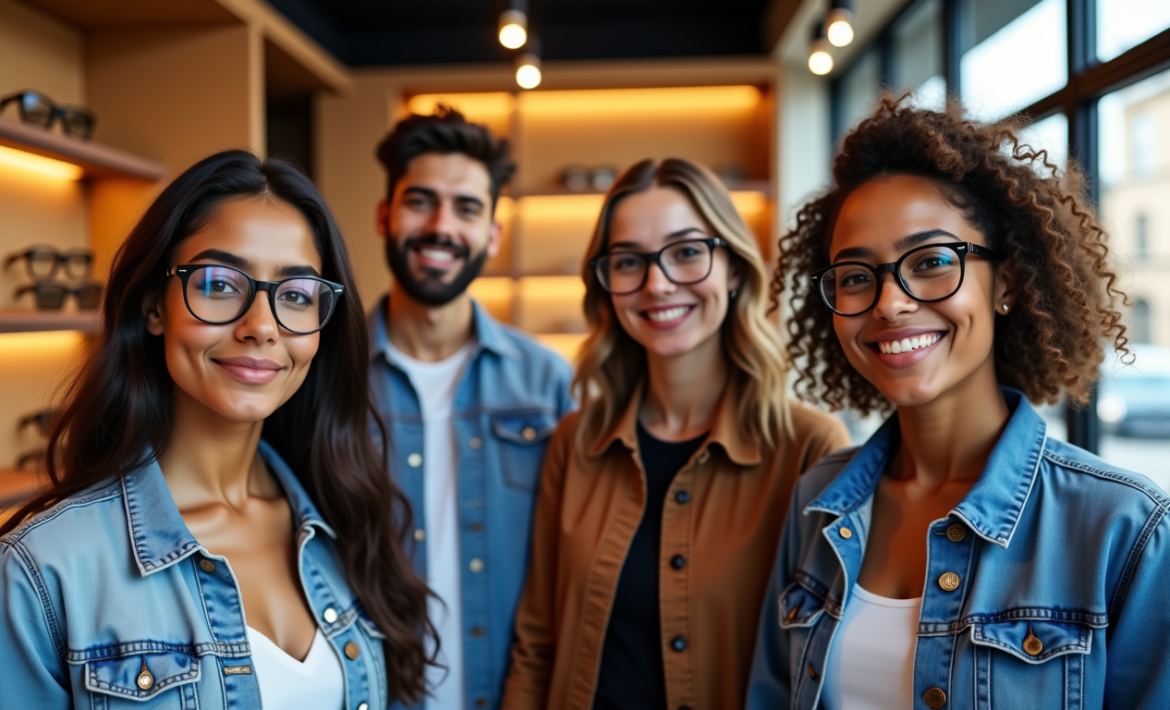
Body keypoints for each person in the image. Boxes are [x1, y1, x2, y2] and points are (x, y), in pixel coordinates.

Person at [747, 97, 1170, 710]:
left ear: (1006, 282)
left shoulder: (1123, 528)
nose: (889, 303)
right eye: (857, 275)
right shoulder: (816, 498)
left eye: (932, 262)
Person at [0, 151, 433, 709]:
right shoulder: (47, 568)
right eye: (219, 284)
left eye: (297, 294)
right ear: (155, 306)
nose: (261, 327)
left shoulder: (347, 521)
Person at [501, 158, 850, 710]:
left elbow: (824, 666)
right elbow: (537, 642)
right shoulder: (575, 442)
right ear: (606, 283)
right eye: (628, 261)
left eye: (687, 252)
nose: (656, 283)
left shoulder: (810, 450)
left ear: (734, 268)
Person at [371, 107, 575, 710]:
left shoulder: (547, 381)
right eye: (420, 202)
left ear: (492, 233)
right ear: (385, 215)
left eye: (466, 208)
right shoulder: (323, 379)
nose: (441, 226)